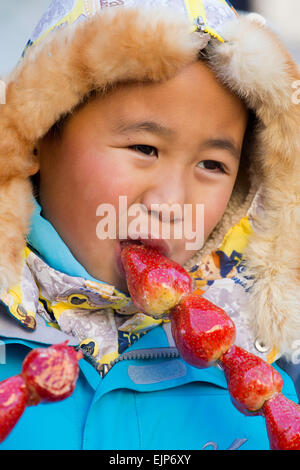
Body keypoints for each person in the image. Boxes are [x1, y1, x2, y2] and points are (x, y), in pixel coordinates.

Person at [0, 0, 299, 450]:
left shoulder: (267, 371)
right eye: (144, 148)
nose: (171, 202)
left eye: (213, 164)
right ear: (39, 136)